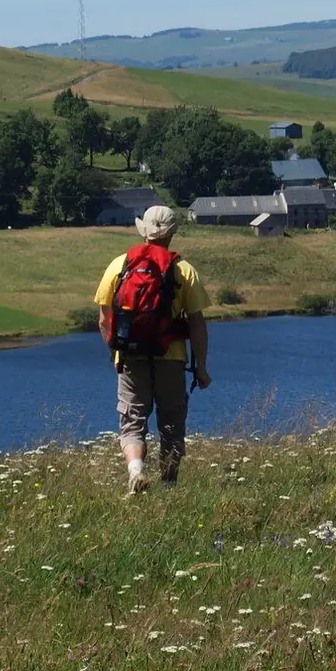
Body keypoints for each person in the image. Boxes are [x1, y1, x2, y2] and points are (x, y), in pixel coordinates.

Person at [95, 205, 211, 494]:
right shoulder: (183, 270)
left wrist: (115, 353)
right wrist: (201, 367)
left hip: (130, 357)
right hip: (170, 357)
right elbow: (197, 324)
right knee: (171, 421)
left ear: (144, 231)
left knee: (133, 419)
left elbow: (103, 319)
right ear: (172, 234)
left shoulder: (120, 265)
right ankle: (169, 487)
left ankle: (136, 472)